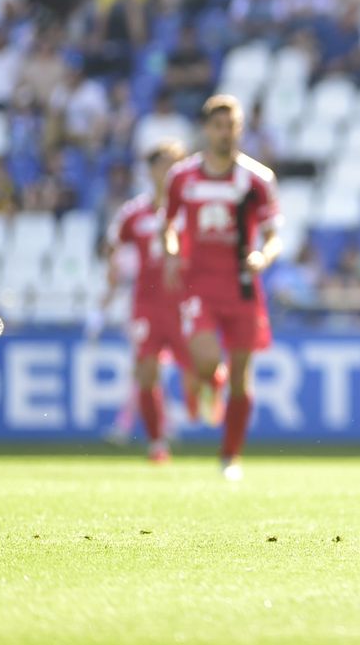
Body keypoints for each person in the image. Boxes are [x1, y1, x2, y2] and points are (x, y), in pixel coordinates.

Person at [160, 94, 284, 481]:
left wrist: (263, 257)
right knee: (206, 360)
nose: (225, 132)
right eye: (218, 125)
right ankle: (208, 380)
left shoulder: (257, 180)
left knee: (241, 376)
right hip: (199, 284)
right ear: (206, 129)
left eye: (231, 125)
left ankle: (230, 455)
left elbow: (274, 235)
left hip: (242, 287)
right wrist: (172, 252)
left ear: (239, 129)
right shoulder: (182, 177)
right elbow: (168, 226)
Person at [91, 140, 219, 462]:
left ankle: (212, 387)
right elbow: (113, 247)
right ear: (149, 172)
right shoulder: (134, 212)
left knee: (197, 372)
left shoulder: (192, 209)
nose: (165, 172)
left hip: (185, 305)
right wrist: (110, 276)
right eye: (159, 165)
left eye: (171, 165)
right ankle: (157, 443)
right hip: (147, 305)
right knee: (146, 371)